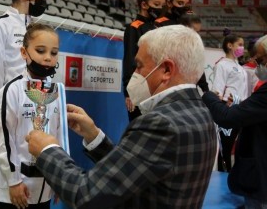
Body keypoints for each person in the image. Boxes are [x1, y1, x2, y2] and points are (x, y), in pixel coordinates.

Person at [26, 25, 217, 209]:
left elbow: (86, 194)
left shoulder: (160, 123)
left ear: (166, 70)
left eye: (139, 66)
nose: (134, 74)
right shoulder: (201, 112)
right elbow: (135, 171)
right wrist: (94, 137)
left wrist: (47, 150)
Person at [0, 24, 69, 209]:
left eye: (54, 52)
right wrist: (14, 181)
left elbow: (60, 136)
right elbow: (2, 140)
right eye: (40, 50)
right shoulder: (11, 90)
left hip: (44, 188)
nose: (48, 57)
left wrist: (61, 178)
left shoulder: (57, 92)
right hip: (13, 189)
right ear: (24, 52)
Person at [0, 0, 48, 172]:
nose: (44, 2)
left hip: (34, 112)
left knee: (32, 176)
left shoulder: (36, 29)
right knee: (7, 176)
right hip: (8, 112)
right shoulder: (2, 25)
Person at [202, 35, 267, 208]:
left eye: (261, 60)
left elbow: (227, 117)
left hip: (259, 170)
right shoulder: (224, 65)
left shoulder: (239, 68)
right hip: (236, 109)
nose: (258, 64)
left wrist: (207, 95)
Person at [123, 0, 165, 121]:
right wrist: (129, 92)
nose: (160, 9)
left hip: (157, 86)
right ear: (144, 5)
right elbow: (130, 61)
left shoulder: (157, 27)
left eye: (162, 6)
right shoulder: (134, 28)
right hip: (140, 88)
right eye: (157, 4)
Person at [211, 28, 248, 172]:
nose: (242, 48)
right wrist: (223, 106)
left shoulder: (240, 66)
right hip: (228, 110)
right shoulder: (222, 65)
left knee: (238, 145)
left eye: (243, 45)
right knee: (226, 145)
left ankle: (235, 172)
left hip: (241, 109)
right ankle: (223, 173)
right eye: (239, 44)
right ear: (230, 46)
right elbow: (217, 90)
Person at [180, 13, 209, 93]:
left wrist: (206, 90)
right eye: (194, 32)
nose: (197, 36)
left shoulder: (195, 47)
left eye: (198, 32)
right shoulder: (170, 46)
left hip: (191, 90)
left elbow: (198, 69)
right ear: (183, 28)